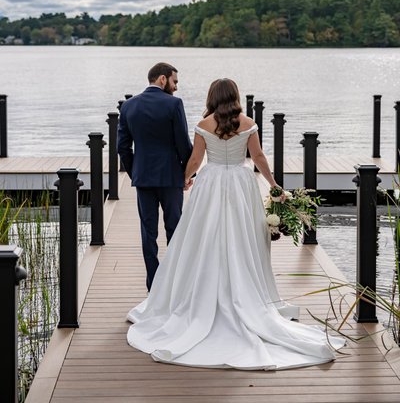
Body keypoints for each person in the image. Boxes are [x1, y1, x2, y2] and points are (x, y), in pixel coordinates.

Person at [126, 78, 345, 370]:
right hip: (242, 184)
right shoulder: (248, 123)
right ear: (236, 96)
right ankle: (246, 292)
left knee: (205, 235)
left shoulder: (204, 124)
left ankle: (204, 292)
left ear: (213, 97)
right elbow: (258, 157)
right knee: (243, 237)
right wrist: (274, 185)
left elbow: (195, 158)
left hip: (212, 182)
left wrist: (185, 179)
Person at [118, 62, 192, 292]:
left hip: (144, 179)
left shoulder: (129, 106)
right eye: (175, 81)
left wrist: (135, 172)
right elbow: (183, 144)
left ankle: (153, 284)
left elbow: (122, 147)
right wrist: (188, 174)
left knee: (148, 232)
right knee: (175, 229)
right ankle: (174, 281)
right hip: (171, 177)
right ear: (162, 79)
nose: (176, 87)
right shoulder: (174, 104)